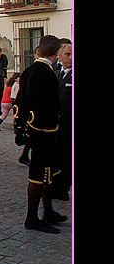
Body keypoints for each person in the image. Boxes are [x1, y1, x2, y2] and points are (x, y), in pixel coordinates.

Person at [13, 34, 66, 234]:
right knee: (39, 176)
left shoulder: (29, 71)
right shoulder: (45, 73)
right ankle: (32, 217)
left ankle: (48, 212)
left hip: (38, 131)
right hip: (44, 132)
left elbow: (20, 102)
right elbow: (45, 105)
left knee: (48, 174)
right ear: (55, 54)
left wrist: (19, 127)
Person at [53, 38, 72, 201]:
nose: (70, 58)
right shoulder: (58, 73)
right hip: (60, 127)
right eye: (67, 54)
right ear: (59, 56)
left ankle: (64, 188)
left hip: (70, 126)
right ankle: (60, 189)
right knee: (61, 159)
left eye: (72, 54)